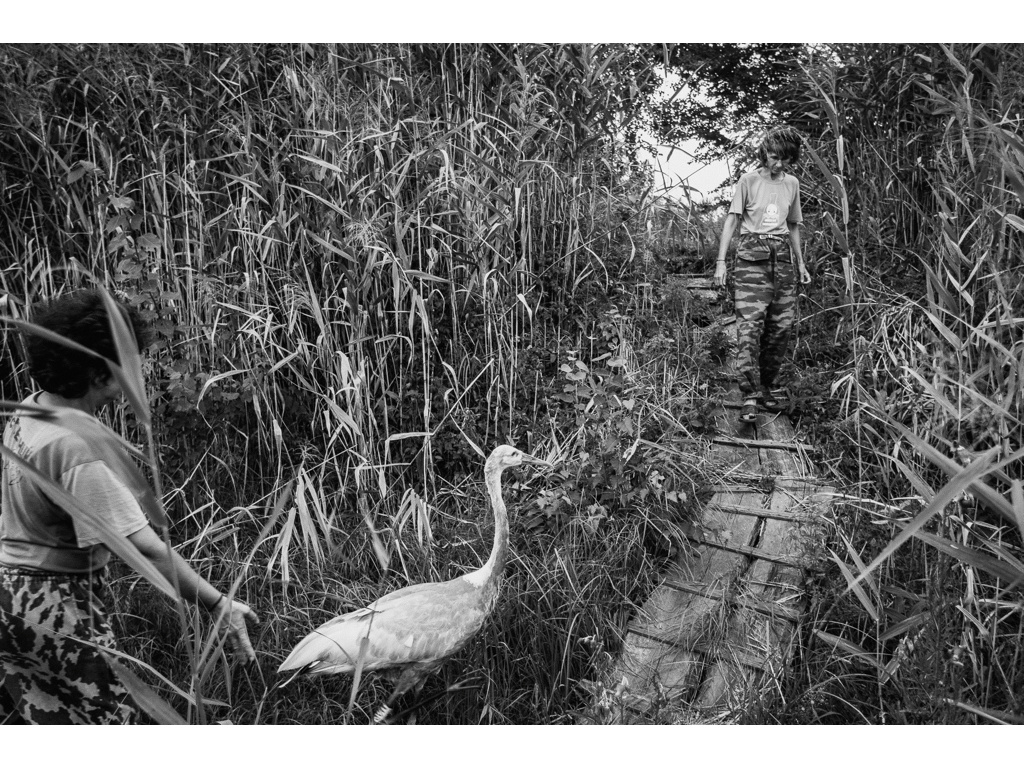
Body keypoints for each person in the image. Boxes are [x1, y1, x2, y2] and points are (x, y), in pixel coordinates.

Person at [0, 289, 259, 724]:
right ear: (97, 372)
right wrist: (218, 603)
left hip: (9, 593)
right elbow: (145, 549)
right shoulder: (77, 446)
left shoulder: (31, 409)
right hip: (52, 604)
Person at [713, 126, 811, 423]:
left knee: (781, 327)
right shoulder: (749, 180)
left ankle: (766, 386)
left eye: (784, 159)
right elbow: (732, 220)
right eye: (773, 157)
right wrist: (721, 262)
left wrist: (801, 263)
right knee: (749, 327)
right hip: (751, 257)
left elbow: (793, 224)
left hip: (782, 259)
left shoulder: (791, 183)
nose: (777, 164)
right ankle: (749, 395)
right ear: (764, 153)